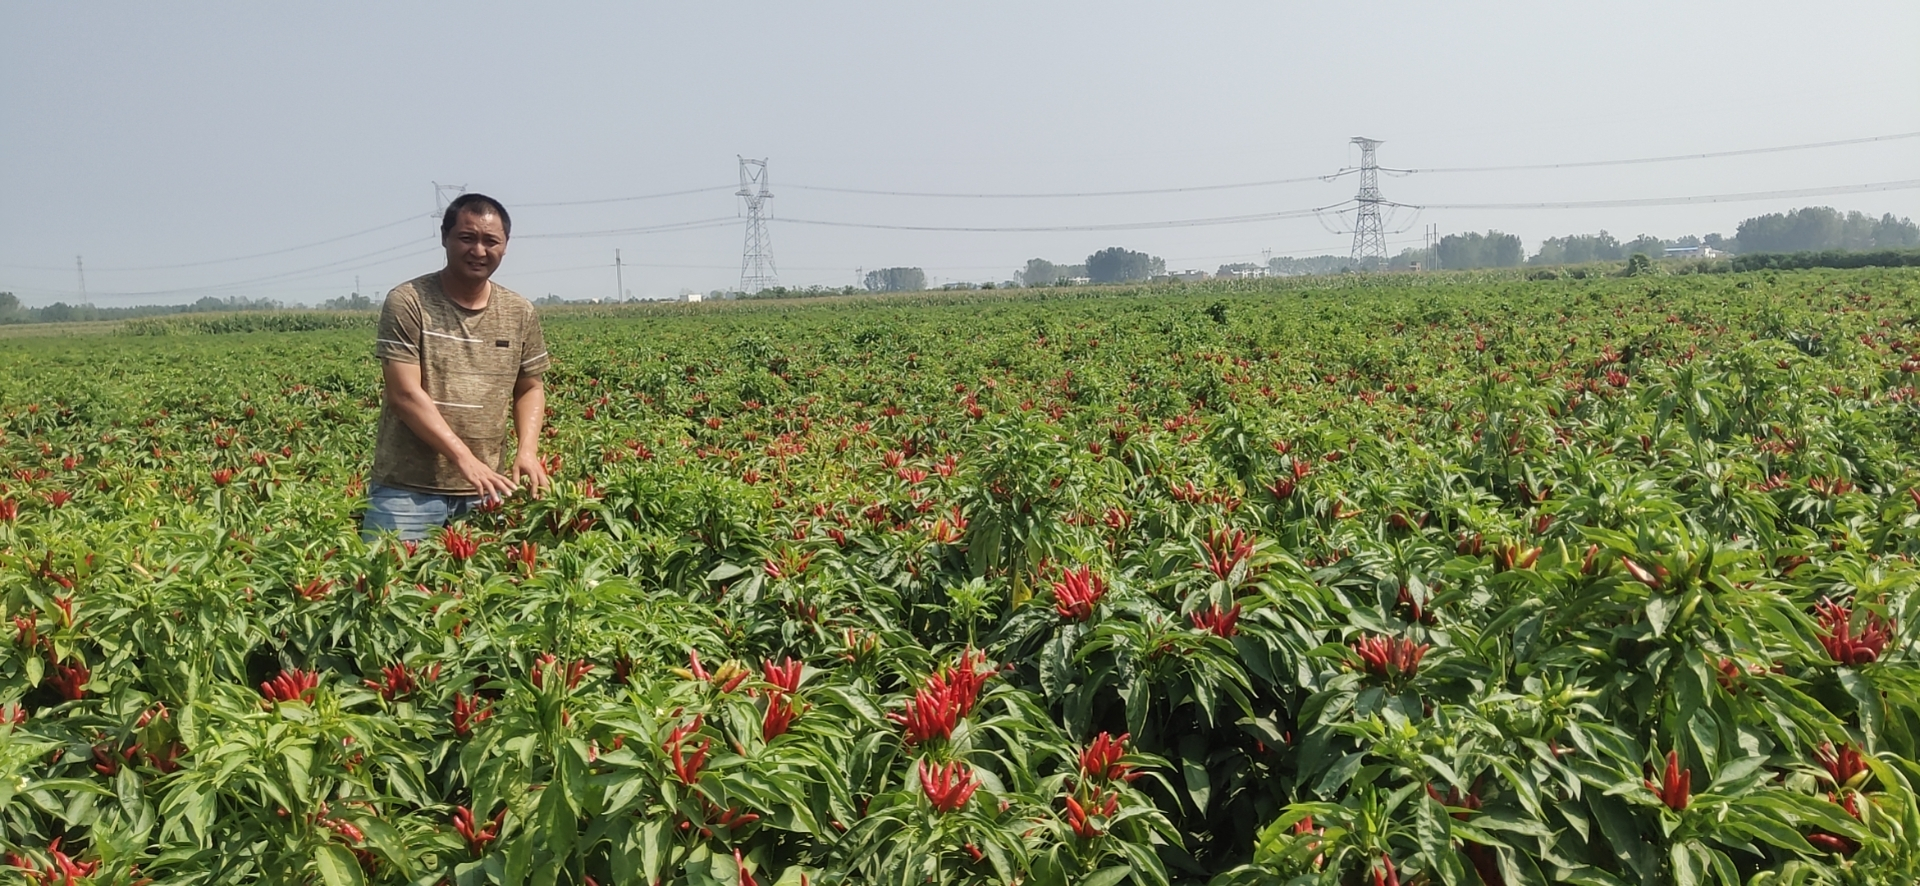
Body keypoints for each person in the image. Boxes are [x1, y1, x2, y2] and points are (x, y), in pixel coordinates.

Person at [361, 193, 551, 540]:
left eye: (490, 241)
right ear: (445, 238)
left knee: (486, 590)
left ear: (505, 246)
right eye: (467, 238)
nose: (479, 250)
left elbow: (530, 386)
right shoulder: (409, 301)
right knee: (387, 588)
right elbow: (404, 394)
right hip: (408, 491)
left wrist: (528, 451)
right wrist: (466, 461)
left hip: (487, 491)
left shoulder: (518, 311)